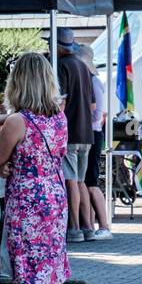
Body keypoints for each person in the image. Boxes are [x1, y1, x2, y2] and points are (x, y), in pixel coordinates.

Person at [0, 53, 70, 284]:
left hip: (27, 200)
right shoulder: (59, 117)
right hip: (54, 195)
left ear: (18, 81)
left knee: (28, 277)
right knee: (50, 277)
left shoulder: (17, 121)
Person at [55, 29, 96, 240]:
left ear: (58, 46)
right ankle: (88, 227)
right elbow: (92, 103)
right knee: (81, 181)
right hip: (86, 132)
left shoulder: (61, 66)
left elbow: (60, 101)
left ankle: (74, 228)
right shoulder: (83, 66)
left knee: (71, 180)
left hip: (69, 132)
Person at [75, 44, 112, 240]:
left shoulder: (93, 82)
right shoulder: (88, 80)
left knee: (91, 181)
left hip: (93, 134)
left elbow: (98, 113)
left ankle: (104, 225)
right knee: (86, 181)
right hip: (89, 133)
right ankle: (90, 224)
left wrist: (85, 117)